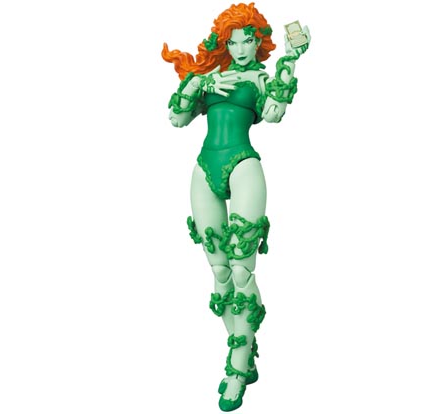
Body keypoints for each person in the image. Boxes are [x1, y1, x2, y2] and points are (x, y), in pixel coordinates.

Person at [161, 2, 309, 411]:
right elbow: (176, 118)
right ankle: (246, 346)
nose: (241, 49)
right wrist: (198, 83)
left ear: (258, 43)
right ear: (224, 43)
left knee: (243, 270)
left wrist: (291, 61)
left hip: (243, 166)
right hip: (204, 169)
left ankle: (237, 367)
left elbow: (274, 113)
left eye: (248, 41)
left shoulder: (261, 78)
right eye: (234, 42)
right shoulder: (212, 77)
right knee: (221, 273)